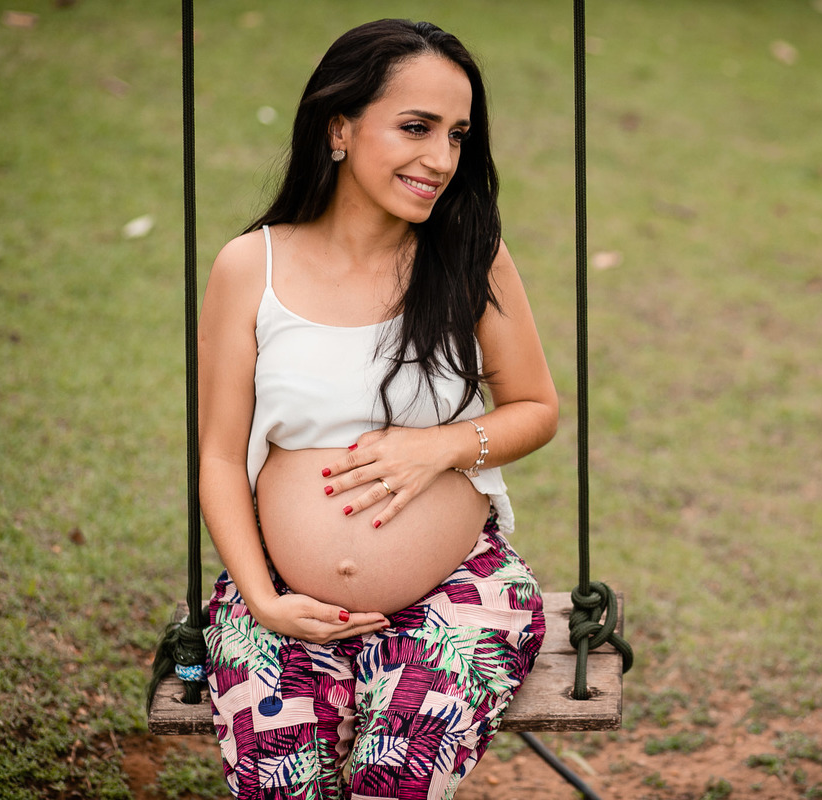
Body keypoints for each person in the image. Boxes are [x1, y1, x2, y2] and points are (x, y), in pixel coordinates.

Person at [195, 17, 559, 800]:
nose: (442, 159)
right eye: (416, 128)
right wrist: (262, 599)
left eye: (457, 136)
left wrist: (440, 447)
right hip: (281, 597)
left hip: (456, 596)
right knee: (281, 788)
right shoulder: (250, 267)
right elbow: (221, 458)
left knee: (393, 782)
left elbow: (536, 407)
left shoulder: (469, 257)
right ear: (339, 128)